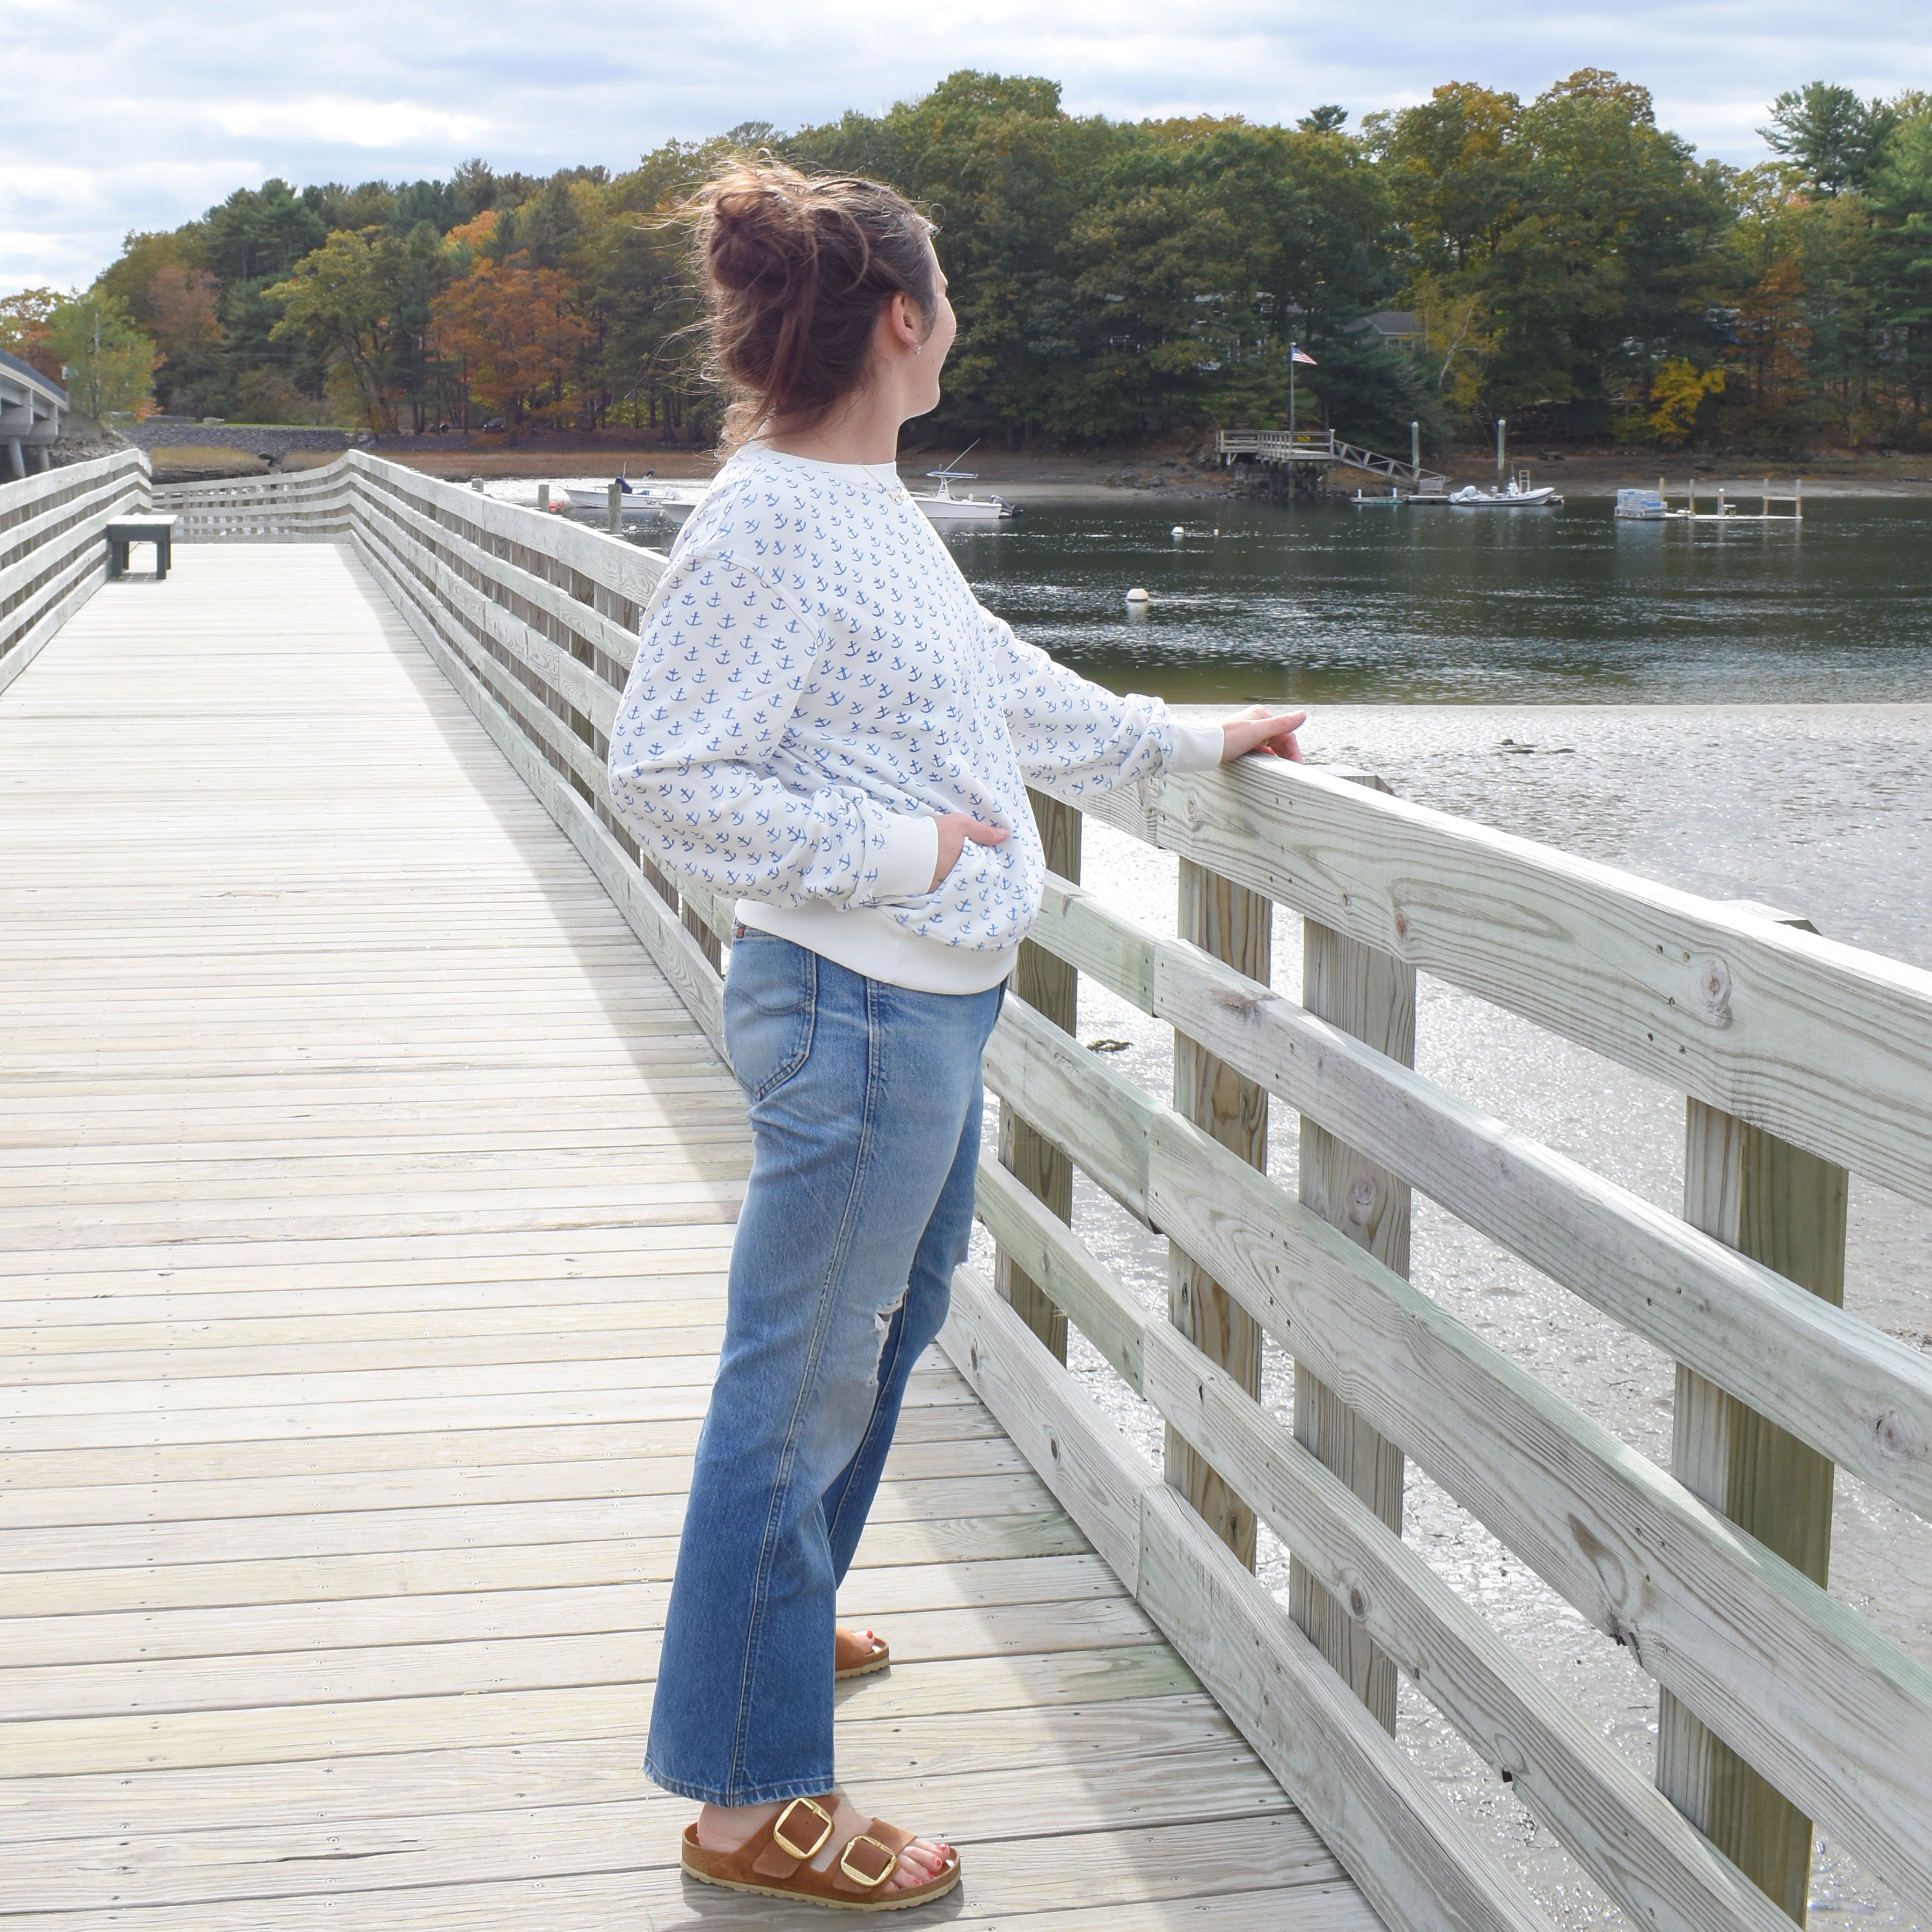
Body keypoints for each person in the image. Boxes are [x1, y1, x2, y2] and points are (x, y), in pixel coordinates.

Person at [606, 158, 1304, 1913]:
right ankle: (749, 1803)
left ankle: (772, 1626)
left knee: (888, 1327)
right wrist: (900, 854)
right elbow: (665, 774)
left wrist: (1185, 739)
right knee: (797, 1379)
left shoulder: (865, 504)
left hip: (919, 1002)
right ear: (905, 319)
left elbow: (987, 683)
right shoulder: (771, 522)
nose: (960, 322)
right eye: (953, 297)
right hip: (853, 1003)